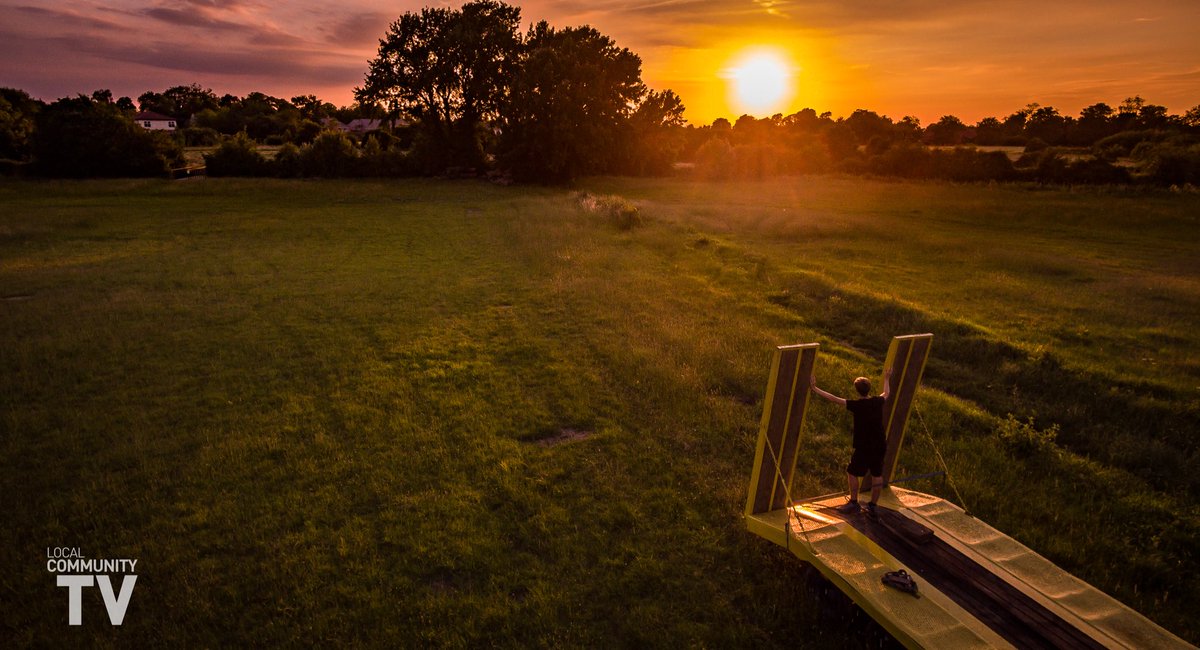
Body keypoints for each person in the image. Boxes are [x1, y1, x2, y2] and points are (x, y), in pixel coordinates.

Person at [811, 369, 891, 517]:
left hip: (864, 446)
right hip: (880, 443)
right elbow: (886, 393)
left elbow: (833, 398)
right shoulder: (877, 401)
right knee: (877, 474)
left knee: (852, 472)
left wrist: (815, 388)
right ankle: (873, 505)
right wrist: (886, 378)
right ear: (869, 389)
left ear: (857, 390)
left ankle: (854, 502)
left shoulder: (856, 405)